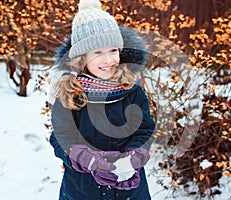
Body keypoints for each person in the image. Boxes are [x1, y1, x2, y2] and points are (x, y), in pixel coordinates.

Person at [49, 0, 155, 199]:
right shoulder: (70, 94)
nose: (108, 60)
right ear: (82, 58)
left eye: (113, 50)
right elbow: (61, 137)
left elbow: (144, 130)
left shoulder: (131, 91)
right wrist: (84, 158)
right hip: (82, 190)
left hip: (130, 190)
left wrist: (134, 157)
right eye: (98, 52)